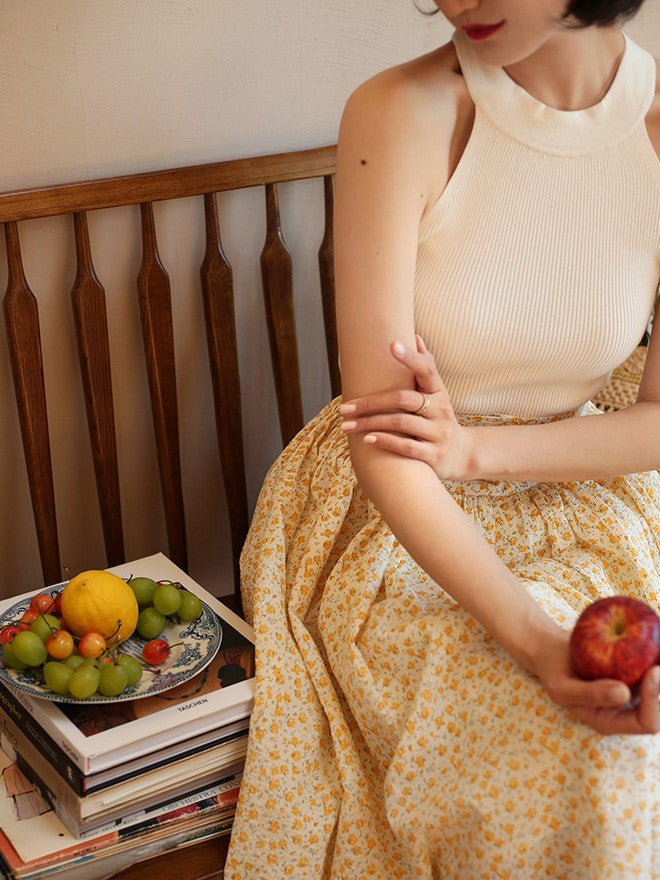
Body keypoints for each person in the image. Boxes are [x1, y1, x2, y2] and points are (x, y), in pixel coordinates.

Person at [225, 1, 659, 877]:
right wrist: (537, 643)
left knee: (635, 745)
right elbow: (385, 438)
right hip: (398, 513)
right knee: (589, 767)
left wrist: (478, 451)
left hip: (583, 488)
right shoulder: (402, 111)